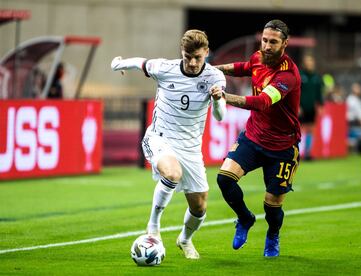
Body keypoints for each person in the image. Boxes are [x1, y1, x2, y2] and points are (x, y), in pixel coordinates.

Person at [111, 29, 227, 259]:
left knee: (200, 206)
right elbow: (141, 63)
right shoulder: (165, 68)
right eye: (187, 57)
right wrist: (119, 64)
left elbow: (220, 116)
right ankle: (153, 227)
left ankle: (184, 240)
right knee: (172, 173)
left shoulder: (215, 78)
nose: (192, 63)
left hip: (191, 149)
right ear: (181, 52)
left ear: (207, 53)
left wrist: (216, 101)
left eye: (198, 58)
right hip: (159, 137)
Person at [211, 19, 301, 257]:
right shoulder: (258, 57)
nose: (267, 46)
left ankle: (272, 235)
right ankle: (245, 218)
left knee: (272, 205)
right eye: (264, 40)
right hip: (253, 137)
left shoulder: (288, 76)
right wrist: (212, 69)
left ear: (285, 44)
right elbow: (243, 67)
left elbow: (262, 103)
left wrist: (224, 97)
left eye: (273, 42)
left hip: (282, 146)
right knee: (224, 179)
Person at [299, 54, 324, 160]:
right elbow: (297, 92)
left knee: (311, 129)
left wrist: (321, 105)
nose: (310, 63)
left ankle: (308, 153)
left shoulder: (317, 77)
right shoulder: (300, 75)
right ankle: (298, 152)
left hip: (312, 108)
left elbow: (319, 93)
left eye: (311, 61)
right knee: (300, 130)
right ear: (304, 63)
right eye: (308, 61)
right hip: (301, 107)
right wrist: (298, 106)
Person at [346, 82, 361, 152]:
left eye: (359, 88)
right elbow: (358, 114)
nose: (359, 90)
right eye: (357, 88)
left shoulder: (359, 100)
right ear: (353, 89)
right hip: (353, 123)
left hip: (360, 122)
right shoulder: (351, 100)